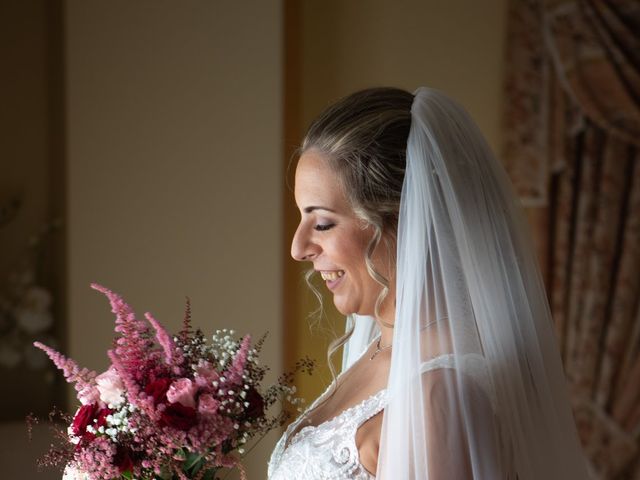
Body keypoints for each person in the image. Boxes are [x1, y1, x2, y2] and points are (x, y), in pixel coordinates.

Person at [268, 87, 590, 479]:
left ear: (402, 218)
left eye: (322, 223)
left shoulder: (439, 393)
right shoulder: (378, 351)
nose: (298, 248)